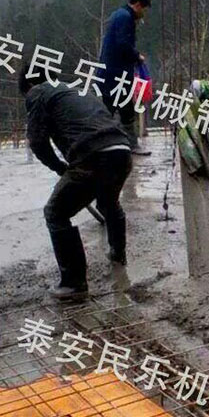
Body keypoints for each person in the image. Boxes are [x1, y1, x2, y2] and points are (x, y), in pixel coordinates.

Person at [19, 63, 132, 301]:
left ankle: (74, 283)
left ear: (29, 84)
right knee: (108, 202)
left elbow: (38, 141)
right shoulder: (77, 90)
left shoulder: (38, 91)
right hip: (122, 151)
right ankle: (118, 254)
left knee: (55, 213)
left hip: (92, 156)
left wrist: (59, 167)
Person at [98, 0, 152, 156]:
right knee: (125, 110)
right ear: (138, 5)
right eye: (143, 10)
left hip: (109, 71)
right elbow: (123, 44)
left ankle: (101, 145)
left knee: (109, 110)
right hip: (117, 73)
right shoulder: (125, 18)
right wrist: (136, 56)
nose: (143, 14)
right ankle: (131, 145)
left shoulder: (118, 14)